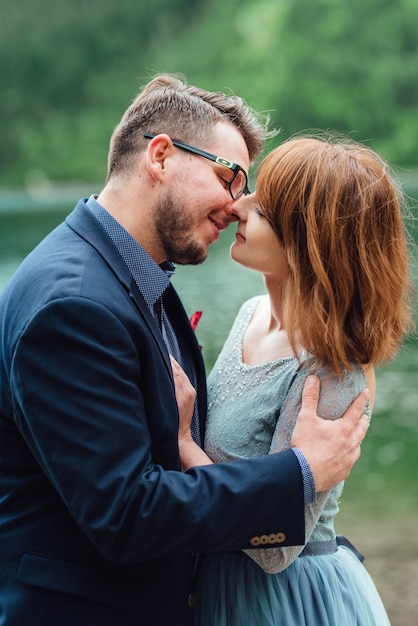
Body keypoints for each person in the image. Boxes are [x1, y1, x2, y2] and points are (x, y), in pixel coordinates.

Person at [0, 75, 369, 626]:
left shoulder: (130, 275)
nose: (236, 203)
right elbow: (128, 514)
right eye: (229, 177)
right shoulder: (75, 303)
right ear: (162, 155)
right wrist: (298, 475)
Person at [176, 135, 414, 625]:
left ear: (310, 245)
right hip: (217, 585)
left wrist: (180, 441)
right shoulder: (249, 313)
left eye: (262, 210)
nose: (237, 206)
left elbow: (275, 550)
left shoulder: (332, 367)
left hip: (283, 602)